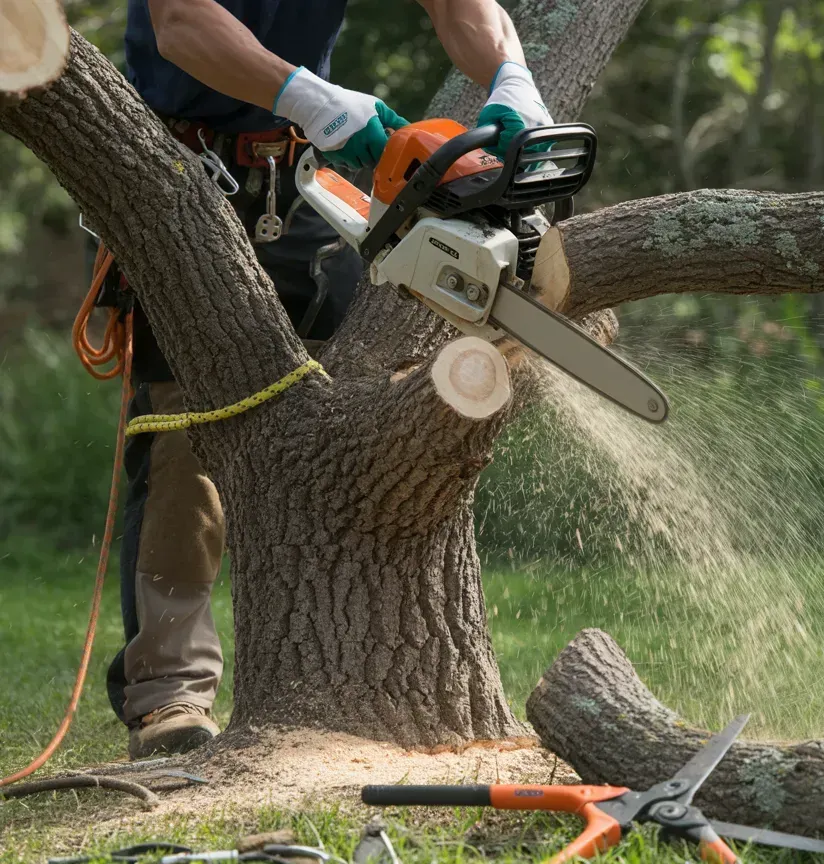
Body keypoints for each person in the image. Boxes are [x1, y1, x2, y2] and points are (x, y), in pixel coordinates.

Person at [108, 0, 555, 760]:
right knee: (186, 434)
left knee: (357, 400)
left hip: (302, 170)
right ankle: (168, 691)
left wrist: (512, 80)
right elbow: (183, 23)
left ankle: (357, 671)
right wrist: (315, 97)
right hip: (180, 165)